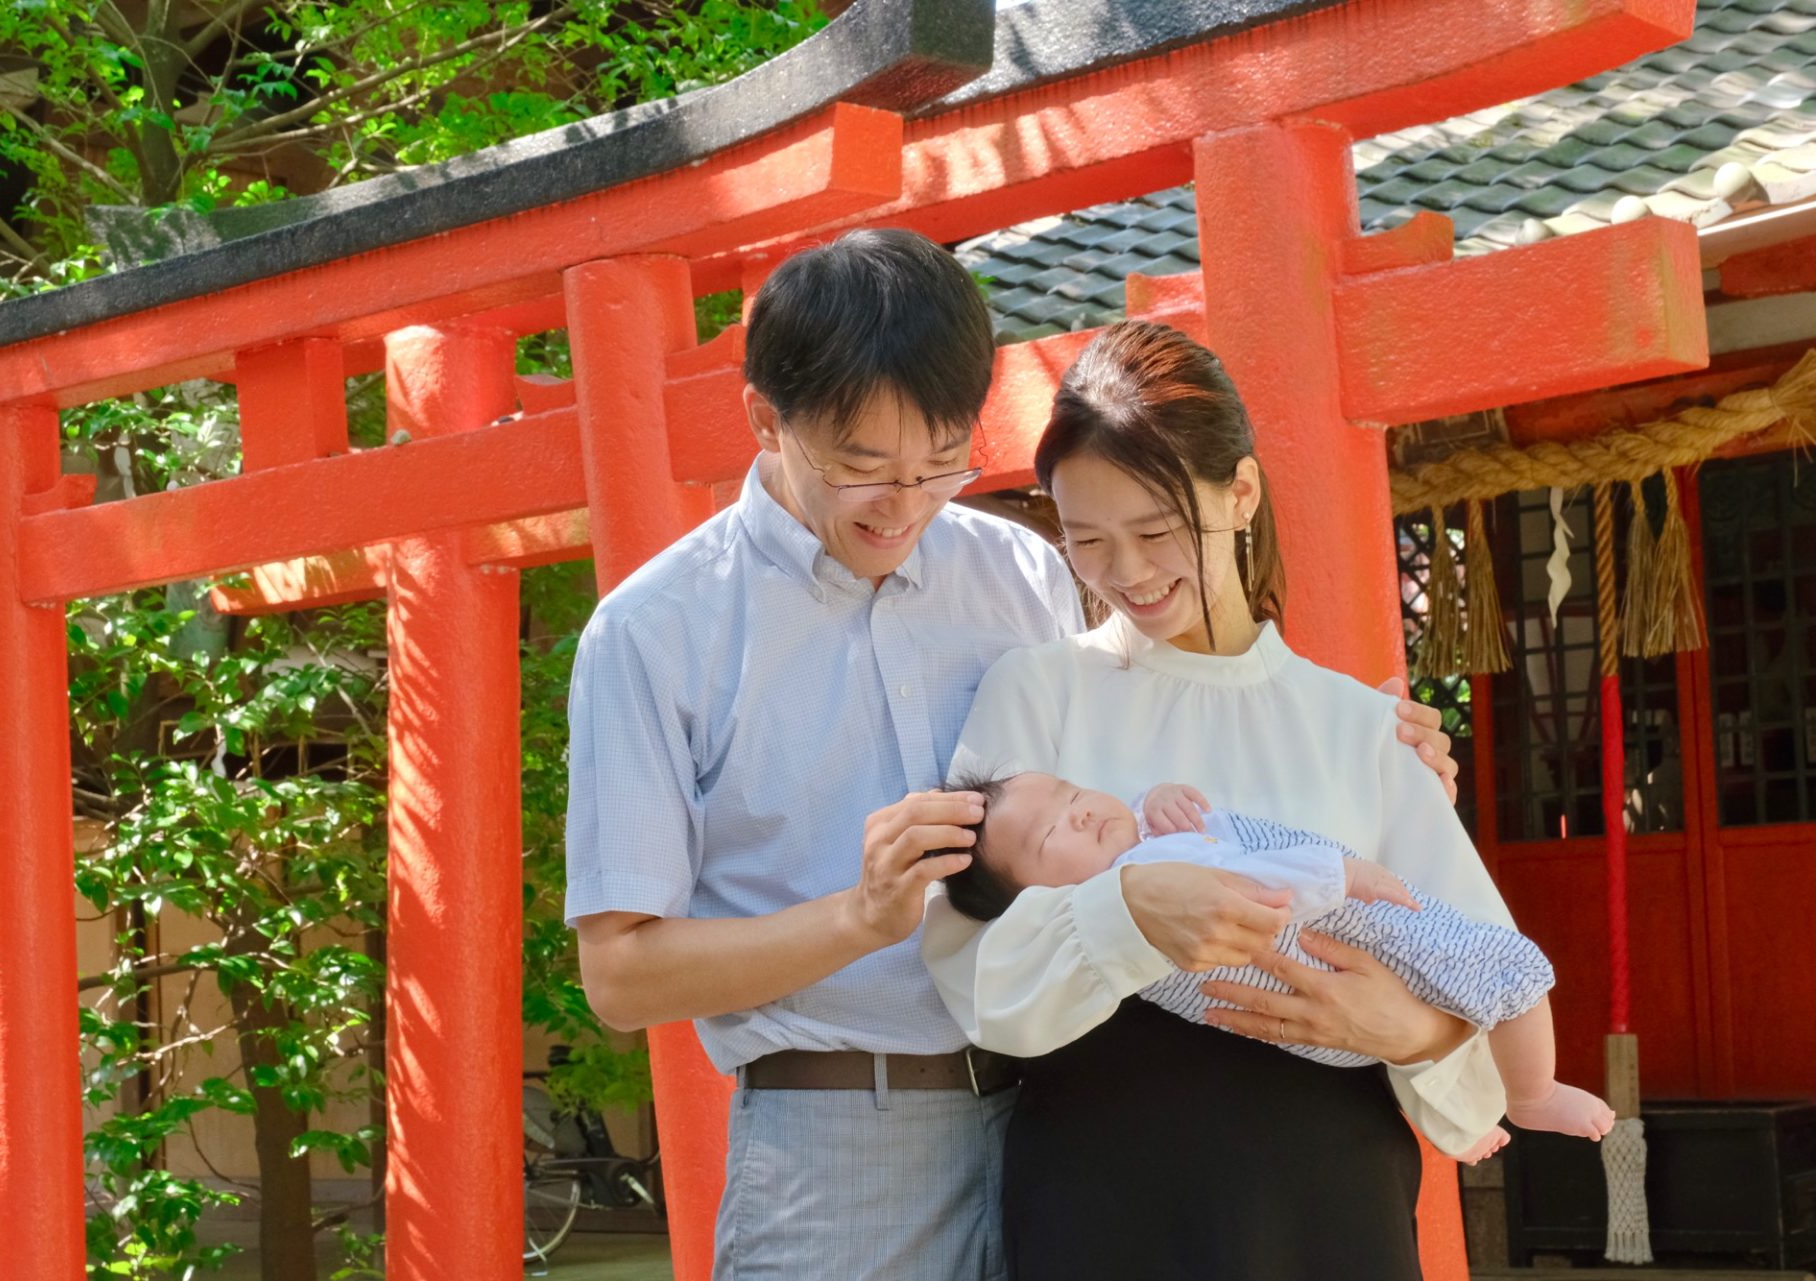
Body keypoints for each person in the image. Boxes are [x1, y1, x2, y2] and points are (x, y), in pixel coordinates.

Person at [564, 230, 1460, 1281]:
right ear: (766, 417)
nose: (905, 506)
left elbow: (1155, 774)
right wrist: (857, 920)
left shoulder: (1021, 573)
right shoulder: (654, 633)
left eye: (942, 463)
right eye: (865, 469)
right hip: (849, 1141)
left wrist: (1366, 764)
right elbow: (619, 975)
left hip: (1080, 1116)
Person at [923, 320, 1518, 1280]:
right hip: (1105, 1190)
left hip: (1331, 1195)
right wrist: (1124, 913)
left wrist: (1392, 1027)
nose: (1127, 574)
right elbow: (972, 971)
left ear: (1239, 493)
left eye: (1157, 532)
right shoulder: (1034, 691)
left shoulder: (1357, 724)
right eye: (1087, 540)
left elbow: (1482, 971)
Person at [934, 771, 1615, 1161]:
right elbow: (1256, 880)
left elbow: (1184, 832)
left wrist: (1156, 801)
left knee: (1462, 1000)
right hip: (1328, 947)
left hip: (1334, 1041)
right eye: (1048, 834)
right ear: (1036, 905)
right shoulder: (1140, 883)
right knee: (1509, 973)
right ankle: (1533, 1093)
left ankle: (1475, 1122)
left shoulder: (1141, 847)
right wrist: (1340, 873)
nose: (1078, 813)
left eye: (1069, 791)